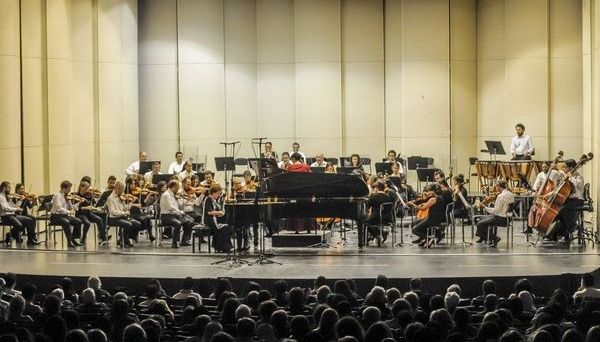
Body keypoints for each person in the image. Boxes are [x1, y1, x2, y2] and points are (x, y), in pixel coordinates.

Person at [547, 159, 584, 243]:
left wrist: (570, 177)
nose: (564, 168)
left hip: (577, 201)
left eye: (565, 167)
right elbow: (560, 187)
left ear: (570, 168)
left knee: (563, 210)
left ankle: (572, 227)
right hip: (569, 200)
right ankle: (558, 233)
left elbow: (577, 186)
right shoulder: (566, 176)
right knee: (557, 212)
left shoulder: (578, 177)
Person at [475, 180, 514, 247]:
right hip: (508, 218)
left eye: (496, 186)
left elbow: (496, 211)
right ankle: (483, 237)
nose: (495, 188)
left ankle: (494, 238)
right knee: (482, 219)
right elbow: (504, 206)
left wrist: (485, 207)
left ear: (499, 186)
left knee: (479, 224)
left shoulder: (500, 196)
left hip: (500, 219)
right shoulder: (511, 194)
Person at [0, 181, 39, 245]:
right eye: (9, 187)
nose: (10, 189)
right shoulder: (1, 197)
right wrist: (16, 208)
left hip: (13, 215)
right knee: (20, 225)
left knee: (30, 220)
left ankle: (31, 239)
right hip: (6, 216)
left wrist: (20, 201)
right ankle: (11, 235)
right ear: (4, 188)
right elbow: (5, 208)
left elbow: (13, 206)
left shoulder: (6, 196)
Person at [160, 180, 195, 248]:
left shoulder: (173, 194)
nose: (178, 189)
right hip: (166, 216)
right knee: (177, 223)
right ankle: (175, 242)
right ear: (173, 187)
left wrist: (187, 200)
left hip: (174, 215)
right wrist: (180, 212)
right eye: (177, 187)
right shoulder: (166, 195)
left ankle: (185, 240)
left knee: (190, 221)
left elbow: (179, 206)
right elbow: (170, 207)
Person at [106, 181, 140, 247]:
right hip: (113, 218)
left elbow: (124, 208)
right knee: (128, 225)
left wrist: (132, 202)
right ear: (117, 189)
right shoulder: (110, 198)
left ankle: (123, 239)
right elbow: (113, 211)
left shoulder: (120, 197)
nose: (122, 192)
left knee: (137, 224)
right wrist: (124, 213)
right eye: (122, 190)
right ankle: (124, 240)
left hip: (122, 217)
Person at [75, 180, 108, 246]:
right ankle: (83, 239)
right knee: (87, 223)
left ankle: (104, 239)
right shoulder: (76, 196)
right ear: (81, 187)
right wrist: (85, 207)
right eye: (86, 188)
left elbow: (92, 204)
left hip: (88, 214)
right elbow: (76, 208)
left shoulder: (89, 195)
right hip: (80, 214)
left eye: (88, 188)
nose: (88, 190)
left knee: (99, 219)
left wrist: (93, 206)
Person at [50, 180, 83, 248]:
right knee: (66, 222)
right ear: (64, 188)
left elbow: (71, 208)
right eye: (69, 189)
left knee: (78, 221)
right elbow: (58, 208)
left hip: (64, 215)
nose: (70, 190)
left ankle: (73, 238)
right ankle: (69, 242)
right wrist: (68, 212)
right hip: (56, 216)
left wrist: (79, 203)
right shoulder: (57, 195)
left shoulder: (67, 196)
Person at [202, 184, 233, 253]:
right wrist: (219, 212)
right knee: (223, 228)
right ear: (214, 192)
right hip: (208, 221)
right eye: (218, 193)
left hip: (213, 220)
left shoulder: (214, 200)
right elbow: (209, 212)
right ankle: (224, 247)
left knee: (225, 227)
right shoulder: (208, 199)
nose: (219, 195)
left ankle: (220, 247)